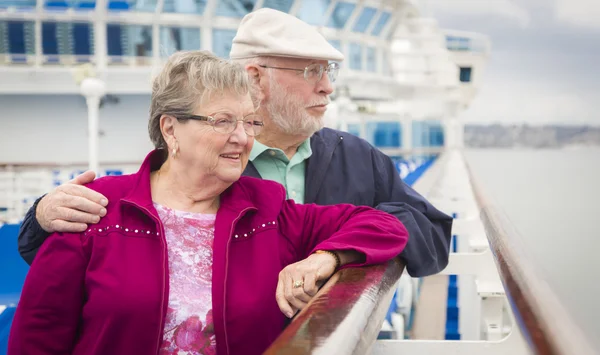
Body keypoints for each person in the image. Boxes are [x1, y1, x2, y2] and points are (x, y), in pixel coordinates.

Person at [8, 51, 408, 355]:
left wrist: (324, 259)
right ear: (171, 129)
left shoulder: (267, 211)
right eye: (222, 121)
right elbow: (38, 335)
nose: (242, 137)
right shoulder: (97, 211)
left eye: (249, 122)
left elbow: (384, 225)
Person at [17, 8, 452, 277]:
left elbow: (432, 236)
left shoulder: (358, 158)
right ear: (255, 79)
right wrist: (42, 215)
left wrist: (338, 254)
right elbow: (85, 246)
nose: (327, 89)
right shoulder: (203, 161)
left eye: (329, 73)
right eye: (310, 72)